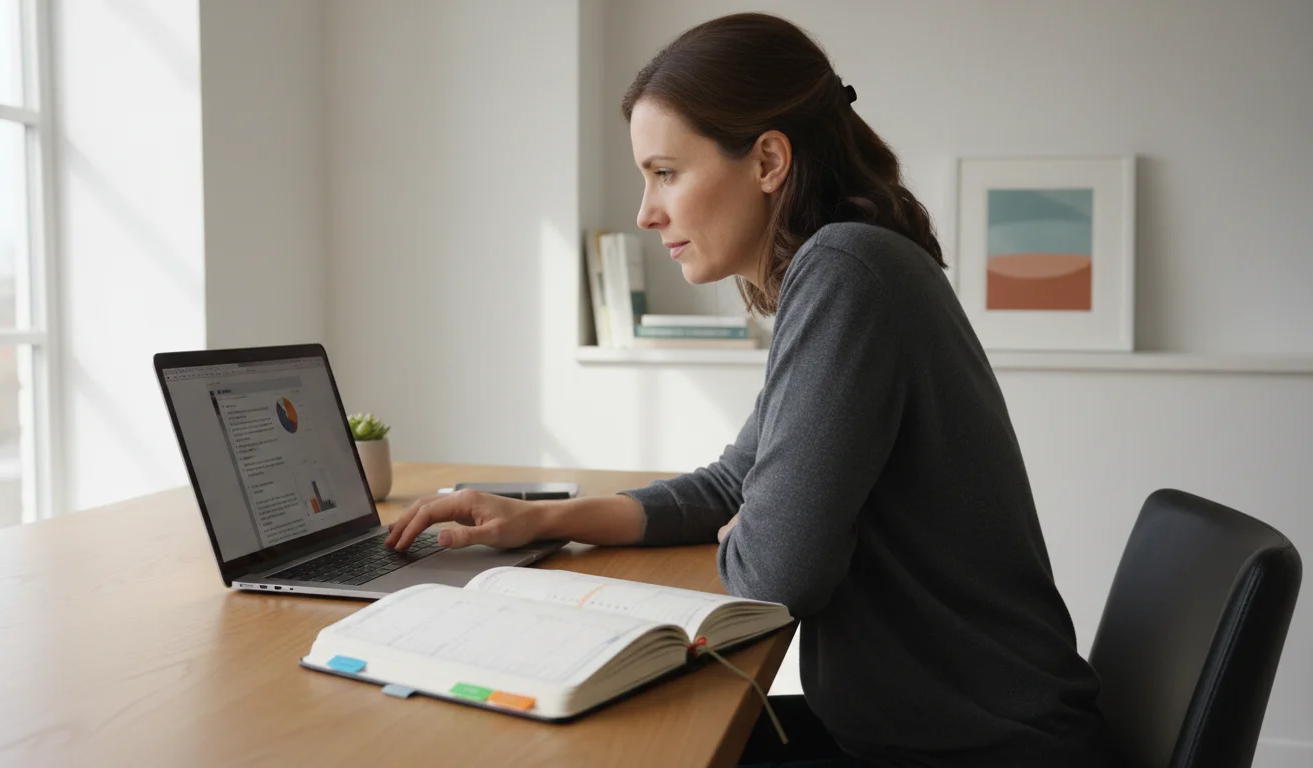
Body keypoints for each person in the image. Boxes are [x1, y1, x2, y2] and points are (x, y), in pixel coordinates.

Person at [385, 11, 1118, 768]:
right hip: (920, 732)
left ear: (768, 161)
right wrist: (540, 520)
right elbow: (738, 483)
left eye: (665, 173)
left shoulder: (847, 273)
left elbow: (776, 572)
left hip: (975, 750)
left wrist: (762, 527)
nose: (646, 211)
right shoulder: (846, 267)